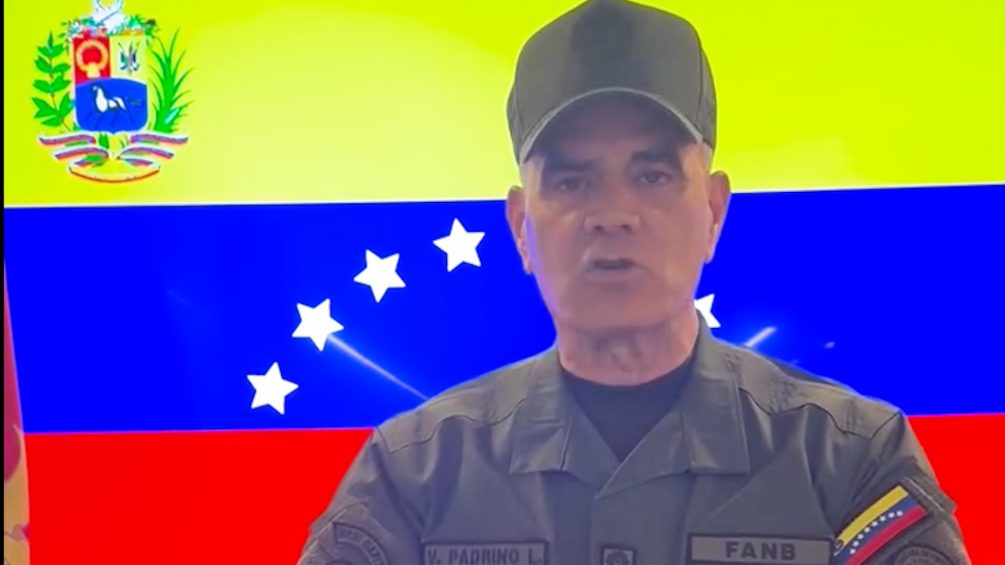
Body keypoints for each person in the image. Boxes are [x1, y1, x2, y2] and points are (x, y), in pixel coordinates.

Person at [299, 1, 971, 563]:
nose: (612, 214)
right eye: (572, 181)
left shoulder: (847, 462)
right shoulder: (413, 477)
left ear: (712, 211)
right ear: (520, 226)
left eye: (651, 175)